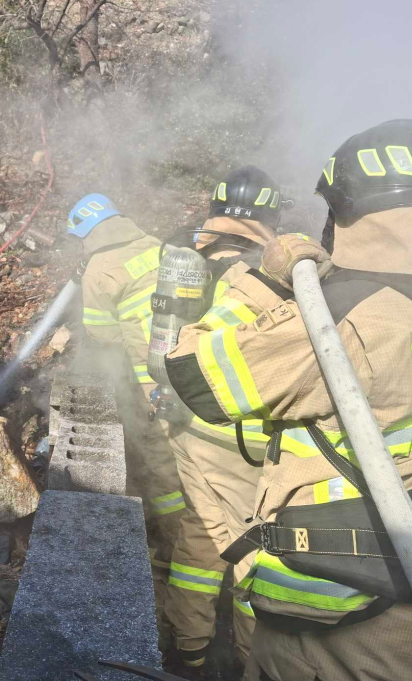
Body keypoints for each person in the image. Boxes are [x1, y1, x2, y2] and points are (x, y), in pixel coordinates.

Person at [165, 119, 412, 681]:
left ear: (347, 210)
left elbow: (194, 373)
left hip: (337, 621)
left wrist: (267, 281)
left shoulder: (347, 316)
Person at [164, 167, 286, 674]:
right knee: (255, 550)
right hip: (244, 438)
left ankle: (188, 649)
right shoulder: (272, 270)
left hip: (188, 426)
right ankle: (248, 662)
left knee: (200, 533)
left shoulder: (186, 255)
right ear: (270, 213)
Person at [67, 193, 186, 642]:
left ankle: (176, 546)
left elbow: (103, 335)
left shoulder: (99, 270)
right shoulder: (156, 243)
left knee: (161, 466)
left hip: (151, 385)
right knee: (189, 457)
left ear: (85, 233)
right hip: (193, 370)